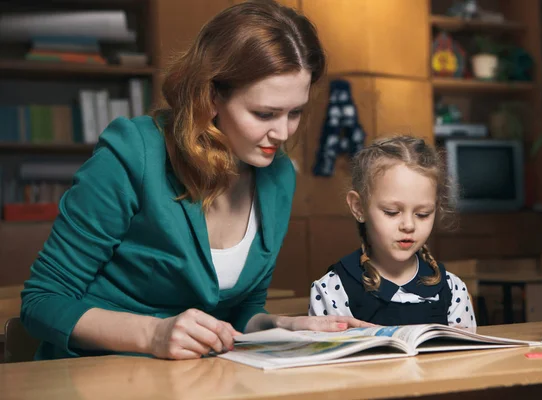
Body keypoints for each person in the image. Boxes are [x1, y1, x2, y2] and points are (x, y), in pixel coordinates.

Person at [20, 0, 369, 361]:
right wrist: (153, 335)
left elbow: (240, 311)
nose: (281, 132)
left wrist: (287, 327)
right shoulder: (135, 151)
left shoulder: (277, 175)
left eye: (295, 112)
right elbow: (42, 302)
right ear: (212, 94)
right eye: (264, 113)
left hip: (197, 378)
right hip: (96, 375)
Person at [309, 136, 476, 331]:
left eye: (423, 214)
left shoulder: (452, 289)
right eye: (392, 212)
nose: (408, 225)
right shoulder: (332, 289)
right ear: (359, 207)